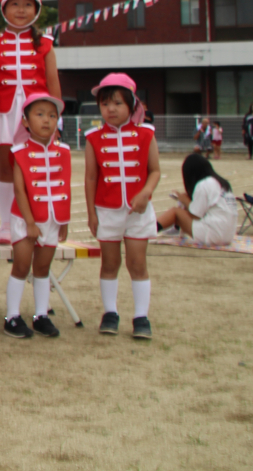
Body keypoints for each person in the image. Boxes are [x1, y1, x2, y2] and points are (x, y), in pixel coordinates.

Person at [0, 0, 59, 244]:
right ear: (4, 8)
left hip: (37, 114)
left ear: (37, 9)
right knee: (6, 168)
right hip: (4, 113)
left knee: (35, 167)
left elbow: (53, 84)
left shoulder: (46, 43)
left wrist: (55, 119)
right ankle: (6, 224)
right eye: (14, 4)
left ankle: (38, 220)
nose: (20, 10)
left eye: (27, 4)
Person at [84, 72, 159, 340]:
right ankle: (110, 312)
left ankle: (141, 317)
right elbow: (91, 177)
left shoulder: (146, 133)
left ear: (132, 105)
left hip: (138, 212)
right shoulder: (93, 137)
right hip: (106, 210)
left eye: (117, 103)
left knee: (137, 264)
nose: (111, 109)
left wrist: (146, 193)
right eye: (105, 104)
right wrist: (92, 213)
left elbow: (155, 171)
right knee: (109, 263)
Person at [5, 89, 71, 340]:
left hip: (53, 218)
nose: (46, 120)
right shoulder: (19, 152)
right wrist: (30, 223)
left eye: (52, 116)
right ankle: (11, 317)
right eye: (40, 114)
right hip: (25, 219)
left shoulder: (63, 151)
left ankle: (41, 315)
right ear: (25, 121)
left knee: (43, 268)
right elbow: (19, 191)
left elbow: (65, 184)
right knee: (21, 266)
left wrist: (63, 220)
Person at [156, 154, 236, 246]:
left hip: (214, 234)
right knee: (185, 208)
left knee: (175, 212)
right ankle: (175, 229)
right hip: (228, 235)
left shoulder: (203, 184)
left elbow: (196, 215)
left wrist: (184, 200)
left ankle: (150, 230)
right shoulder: (222, 182)